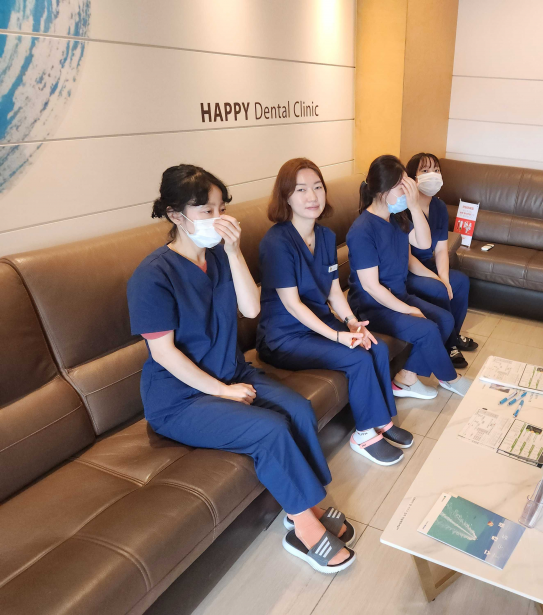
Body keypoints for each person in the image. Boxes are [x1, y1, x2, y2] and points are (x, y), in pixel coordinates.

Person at [127, 164, 355, 574]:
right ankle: (304, 528)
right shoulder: (152, 276)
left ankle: (305, 504)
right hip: (180, 399)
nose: (218, 219)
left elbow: (251, 309)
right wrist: (222, 391)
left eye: (221, 209)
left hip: (233, 372)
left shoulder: (220, 256)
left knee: (298, 409)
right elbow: (163, 354)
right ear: (175, 215)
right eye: (206, 211)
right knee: (270, 429)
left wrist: (233, 252)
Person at [256, 158, 414, 466]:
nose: (312, 196)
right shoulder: (276, 242)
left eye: (317, 187)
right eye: (301, 190)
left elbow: (332, 291)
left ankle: (382, 421)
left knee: (375, 346)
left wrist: (352, 323)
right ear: (286, 196)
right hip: (284, 336)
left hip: (320, 323)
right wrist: (338, 336)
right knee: (357, 358)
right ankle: (363, 435)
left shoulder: (326, 236)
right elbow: (292, 304)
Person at [345, 155, 472, 400]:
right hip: (372, 307)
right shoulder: (362, 230)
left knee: (445, 319)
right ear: (382, 191)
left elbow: (424, 242)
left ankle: (406, 378)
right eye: (402, 187)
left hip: (398, 295)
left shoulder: (396, 218)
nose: (407, 193)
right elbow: (371, 287)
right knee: (427, 328)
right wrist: (409, 310)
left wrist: (414, 207)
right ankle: (450, 378)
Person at [405, 152, 477, 368]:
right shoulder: (404, 210)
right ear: (412, 178)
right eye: (425, 170)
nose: (433, 175)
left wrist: (444, 277)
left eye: (436, 170)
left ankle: (452, 334)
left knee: (460, 281)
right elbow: (407, 258)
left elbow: (441, 250)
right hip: (409, 271)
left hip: (429, 266)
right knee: (438, 288)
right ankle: (450, 344)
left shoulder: (439, 206)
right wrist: (437, 279)